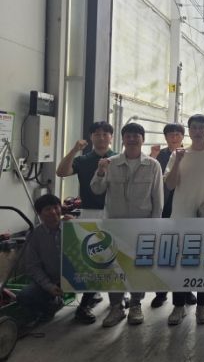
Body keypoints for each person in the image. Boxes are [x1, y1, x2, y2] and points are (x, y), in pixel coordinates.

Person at [90, 123, 163, 327]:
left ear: (142, 139)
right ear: (122, 139)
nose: (132, 139)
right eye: (128, 135)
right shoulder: (110, 163)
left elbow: (158, 198)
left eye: (136, 135)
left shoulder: (152, 165)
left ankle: (136, 305)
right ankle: (116, 307)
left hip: (142, 225)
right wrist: (100, 171)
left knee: (138, 267)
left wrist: (155, 226)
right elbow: (96, 189)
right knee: (114, 267)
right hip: (115, 225)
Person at [164, 114, 204, 326]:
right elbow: (170, 185)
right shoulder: (178, 154)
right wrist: (178, 161)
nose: (198, 131)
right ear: (189, 131)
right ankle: (178, 306)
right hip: (180, 216)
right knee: (180, 264)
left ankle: (202, 306)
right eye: (194, 128)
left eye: (202, 127)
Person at [55, 120, 115, 323]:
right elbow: (61, 172)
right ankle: (85, 304)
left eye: (105, 133)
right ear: (91, 137)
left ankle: (115, 299)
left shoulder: (118, 158)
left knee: (115, 258)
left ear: (111, 137)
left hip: (114, 213)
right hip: (89, 212)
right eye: (97, 134)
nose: (101, 137)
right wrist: (74, 150)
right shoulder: (83, 160)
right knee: (93, 260)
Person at [149, 123, 191, 308]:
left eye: (177, 134)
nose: (174, 137)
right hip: (163, 207)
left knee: (184, 250)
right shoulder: (159, 155)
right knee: (164, 250)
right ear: (165, 137)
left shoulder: (190, 154)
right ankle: (161, 291)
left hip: (184, 206)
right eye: (171, 134)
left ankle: (186, 290)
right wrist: (153, 156)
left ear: (183, 136)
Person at [17, 195, 67, 322]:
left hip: (76, 276)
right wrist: (49, 286)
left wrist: (78, 224)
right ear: (39, 214)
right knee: (24, 296)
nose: (53, 212)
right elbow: (33, 266)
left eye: (56, 207)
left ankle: (85, 306)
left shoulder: (72, 226)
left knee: (97, 277)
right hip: (51, 278)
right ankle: (52, 305)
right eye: (48, 209)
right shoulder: (34, 235)